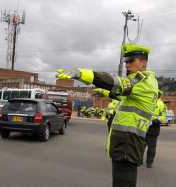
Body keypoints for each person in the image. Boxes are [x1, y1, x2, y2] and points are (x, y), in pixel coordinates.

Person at [56, 43, 158, 187]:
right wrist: (104, 92)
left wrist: (82, 73)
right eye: (126, 61)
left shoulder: (142, 80)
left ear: (143, 62)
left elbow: (116, 82)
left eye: (131, 61)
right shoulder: (144, 83)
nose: (127, 65)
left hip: (127, 145)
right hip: (127, 144)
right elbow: (124, 96)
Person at [145, 91, 167, 168]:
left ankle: (149, 162)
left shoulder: (161, 104)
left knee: (151, 147)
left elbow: (164, 116)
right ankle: (139, 160)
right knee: (140, 144)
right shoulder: (147, 101)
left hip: (154, 127)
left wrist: (155, 121)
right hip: (144, 125)